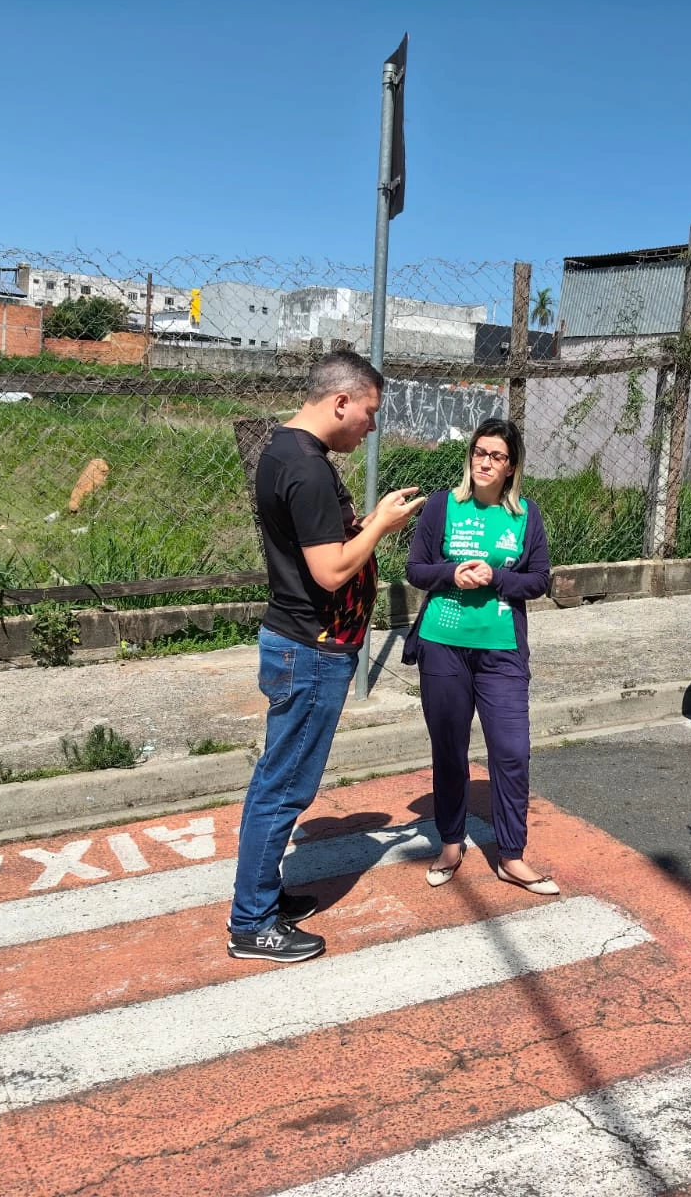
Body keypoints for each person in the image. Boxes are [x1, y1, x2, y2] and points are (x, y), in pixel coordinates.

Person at [227, 350, 425, 964]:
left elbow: (320, 544)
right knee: (284, 788)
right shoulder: (308, 468)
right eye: (369, 412)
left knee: (278, 781)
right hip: (311, 649)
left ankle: (262, 897)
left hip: (301, 643)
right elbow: (332, 570)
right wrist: (381, 526)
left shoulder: (284, 450)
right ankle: (252, 923)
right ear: (341, 401)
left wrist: (365, 522)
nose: (371, 426)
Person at [403, 418, 555, 894]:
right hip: (443, 645)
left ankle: (511, 856)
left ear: (511, 467)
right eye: (479, 452)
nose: (485, 462)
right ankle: (451, 844)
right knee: (449, 750)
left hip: (501, 651)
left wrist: (496, 578)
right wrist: (451, 574)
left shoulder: (525, 515)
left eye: (497, 456)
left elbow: (540, 580)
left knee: (511, 752)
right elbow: (415, 569)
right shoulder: (442, 506)